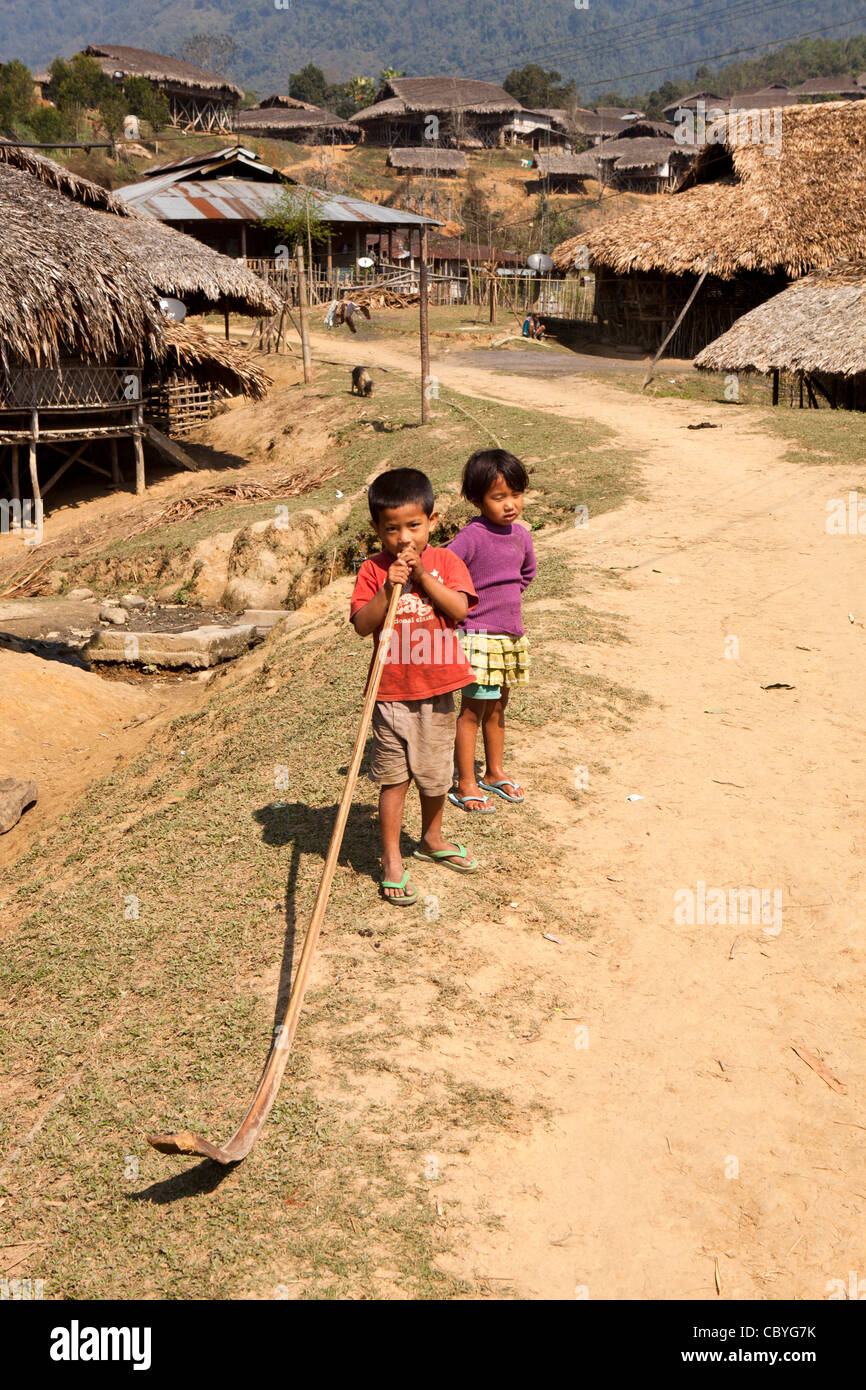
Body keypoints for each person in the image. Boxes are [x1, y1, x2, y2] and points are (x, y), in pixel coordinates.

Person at [350, 468, 481, 905]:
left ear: (433, 520)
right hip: (389, 693)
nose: (404, 537)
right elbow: (361, 625)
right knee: (393, 778)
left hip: (439, 688)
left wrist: (423, 577)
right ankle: (391, 858)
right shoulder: (373, 570)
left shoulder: (446, 563)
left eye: (414, 526)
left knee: (435, 774)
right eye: (392, 529)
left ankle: (431, 837)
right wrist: (389, 590)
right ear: (377, 529)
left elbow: (460, 610)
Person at [447, 450, 536, 813]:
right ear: (476, 499)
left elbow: (525, 574)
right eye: (498, 497)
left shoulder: (521, 536)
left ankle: (494, 772)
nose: (510, 504)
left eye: (516, 494)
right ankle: (465, 780)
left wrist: (507, 598)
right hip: (479, 636)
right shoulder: (471, 536)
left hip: (511, 634)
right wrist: (467, 608)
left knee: (499, 706)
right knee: (472, 710)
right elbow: (445, 570)